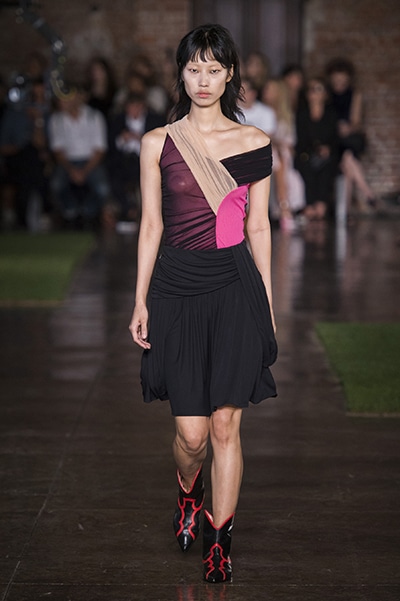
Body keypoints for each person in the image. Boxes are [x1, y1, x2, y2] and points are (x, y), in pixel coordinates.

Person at [129, 24, 277, 584]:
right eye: (194, 69)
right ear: (182, 74)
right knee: (191, 437)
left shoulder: (255, 142)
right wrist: (139, 300)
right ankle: (188, 491)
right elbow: (151, 226)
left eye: (214, 69)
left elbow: (258, 227)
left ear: (230, 74)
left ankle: (221, 539)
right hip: (176, 289)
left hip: (235, 287)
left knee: (224, 425)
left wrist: (267, 303)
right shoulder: (158, 143)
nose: (204, 80)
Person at [48, 84, 110, 227]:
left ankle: (89, 211)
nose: (61, 103)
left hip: (91, 161)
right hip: (67, 162)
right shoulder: (56, 119)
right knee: (56, 184)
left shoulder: (94, 116)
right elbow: (57, 150)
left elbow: (100, 149)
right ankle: (70, 211)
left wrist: (84, 171)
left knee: (103, 187)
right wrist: (71, 170)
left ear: (75, 99)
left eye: (64, 99)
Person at [325, 57, 377, 213]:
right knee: (347, 163)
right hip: (333, 139)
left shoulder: (354, 94)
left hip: (350, 138)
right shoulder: (326, 95)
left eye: (343, 81)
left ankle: (347, 208)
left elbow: (356, 121)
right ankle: (367, 195)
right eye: (336, 80)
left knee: (347, 157)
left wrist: (348, 127)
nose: (339, 83)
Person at [108, 92, 166, 223]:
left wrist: (143, 138)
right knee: (115, 179)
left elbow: (161, 142)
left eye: (137, 106)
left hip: (148, 161)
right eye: (131, 106)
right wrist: (122, 139)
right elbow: (111, 145)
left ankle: (151, 214)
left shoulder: (154, 120)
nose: (134, 110)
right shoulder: (118, 120)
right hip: (124, 161)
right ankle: (129, 211)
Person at [262, 77, 305, 230]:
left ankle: (284, 208)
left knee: (281, 161)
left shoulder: (286, 116)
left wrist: (280, 145)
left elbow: (290, 142)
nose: (267, 93)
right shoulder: (261, 112)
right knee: (277, 160)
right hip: (266, 152)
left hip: (283, 155)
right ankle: (284, 209)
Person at [294, 77, 339, 220]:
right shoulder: (301, 114)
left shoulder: (331, 114)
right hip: (306, 153)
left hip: (327, 155)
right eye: (311, 90)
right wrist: (316, 149)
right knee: (306, 167)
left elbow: (335, 138)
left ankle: (322, 204)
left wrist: (327, 148)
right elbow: (301, 138)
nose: (315, 93)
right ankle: (309, 205)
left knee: (327, 168)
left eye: (318, 89)